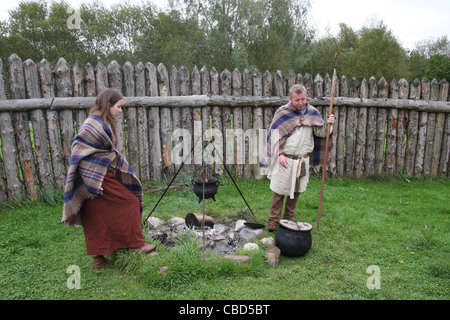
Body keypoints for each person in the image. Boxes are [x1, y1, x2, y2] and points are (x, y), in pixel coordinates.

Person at [62, 88, 156, 269]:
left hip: (93, 177)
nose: (120, 110)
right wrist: (95, 173)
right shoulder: (95, 124)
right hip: (95, 177)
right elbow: (80, 149)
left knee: (95, 214)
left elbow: (100, 150)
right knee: (130, 201)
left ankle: (99, 258)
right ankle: (136, 244)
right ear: (108, 105)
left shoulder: (99, 121)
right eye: (118, 107)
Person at [259, 84, 335, 232]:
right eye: (297, 100)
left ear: (306, 97)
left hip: (303, 160)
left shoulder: (312, 113)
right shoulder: (283, 112)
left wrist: (329, 125)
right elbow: (275, 135)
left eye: (303, 99)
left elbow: (321, 133)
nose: (300, 103)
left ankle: (288, 218)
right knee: (279, 190)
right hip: (285, 158)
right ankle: (274, 221)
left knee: (297, 190)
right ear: (290, 99)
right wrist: (279, 154)